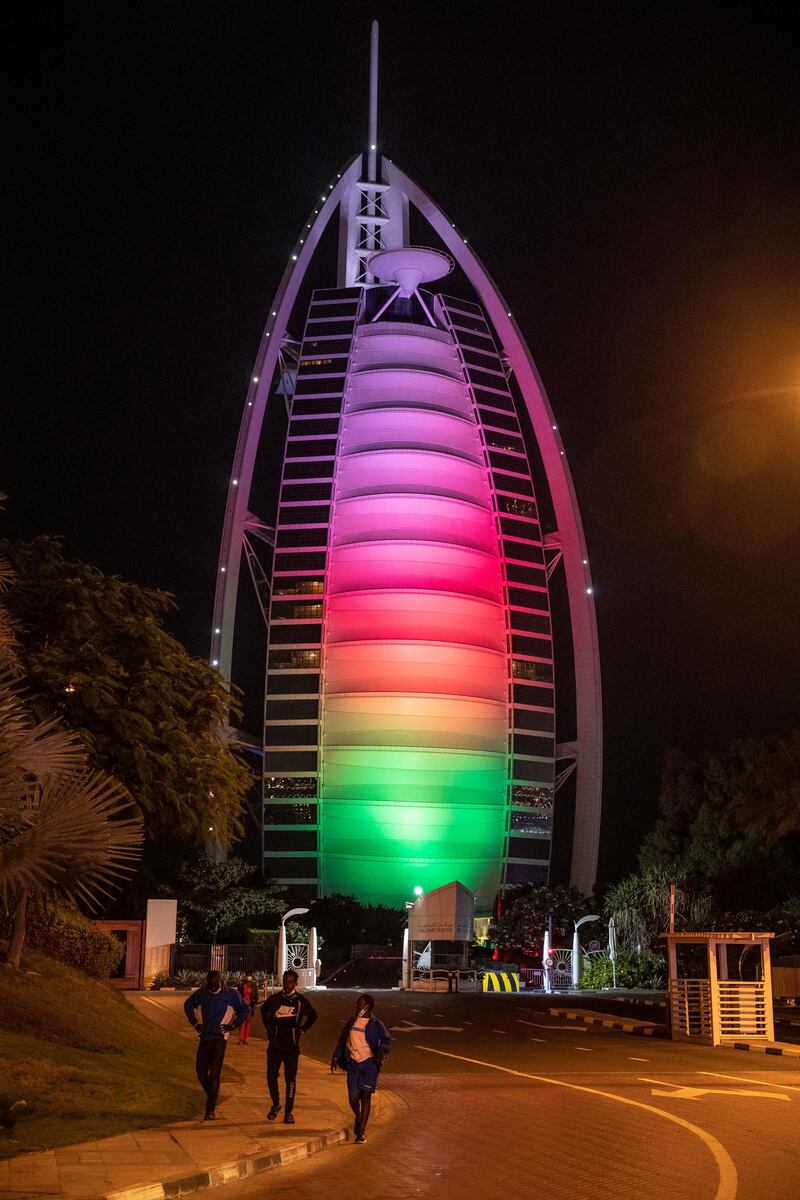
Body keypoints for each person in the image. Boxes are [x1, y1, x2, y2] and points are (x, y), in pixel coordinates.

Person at [183, 970, 249, 1120]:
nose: (212, 989)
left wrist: (233, 1026)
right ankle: (212, 1096)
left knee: (214, 1074)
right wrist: (195, 1024)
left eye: (215, 986)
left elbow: (245, 1009)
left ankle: (210, 1111)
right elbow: (188, 1005)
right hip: (205, 1037)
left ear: (220, 982)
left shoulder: (230, 994)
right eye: (210, 987)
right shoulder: (203, 993)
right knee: (200, 1072)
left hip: (220, 1038)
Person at [330, 993, 391, 1144]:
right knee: (353, 1097)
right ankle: (358, 1116)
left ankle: (361, 1132)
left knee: (365, 1096)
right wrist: (336, 1057)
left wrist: (382, 1051)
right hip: (353, 1063)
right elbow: (343, 1039)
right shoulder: (352, 1020)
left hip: (369, 1064)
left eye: (360, 1003)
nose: (357, 1006)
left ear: (367, 1007)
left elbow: (386, 1040)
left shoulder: (376, 1023)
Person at [260, 969, 318, 1124]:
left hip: (291, 1048)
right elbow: (263, 1011)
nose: (286, 985)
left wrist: (302, 1029)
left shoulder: (301, 1001)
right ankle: (276, 1104)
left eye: (290, 982)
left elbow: (313, 1015)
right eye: (285, 981)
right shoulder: (274, 999)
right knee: (271, 1076)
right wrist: (269, 1028)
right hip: (275, 1046)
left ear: (295, 984)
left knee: (290, 1080)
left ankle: (288, 1112)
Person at [236, 973, 259, 1044]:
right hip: (242, 1006)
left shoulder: (254, 986)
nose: (248, 978)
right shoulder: (241, 985)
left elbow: (256, 997)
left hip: (249, 1006)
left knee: (247, 1022)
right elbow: (237, 996)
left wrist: (255, 1005)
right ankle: (241, 1038)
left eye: (249, 977)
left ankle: (245, 1038)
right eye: (247, 976)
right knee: (242, 1022)